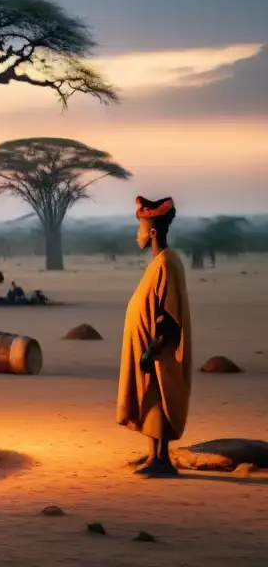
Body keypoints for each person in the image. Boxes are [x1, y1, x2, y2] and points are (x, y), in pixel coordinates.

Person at [117, 196, 193, 478]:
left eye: (139, 229)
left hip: (159, 350)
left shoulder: (166, 264)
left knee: (159, 399)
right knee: (149, 400)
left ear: (151, 233)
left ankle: (162, 460)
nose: (136, 234)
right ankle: (153, 455)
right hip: (149, 348)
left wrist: (152, 350)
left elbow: (168, 316)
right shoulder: (158, 263)